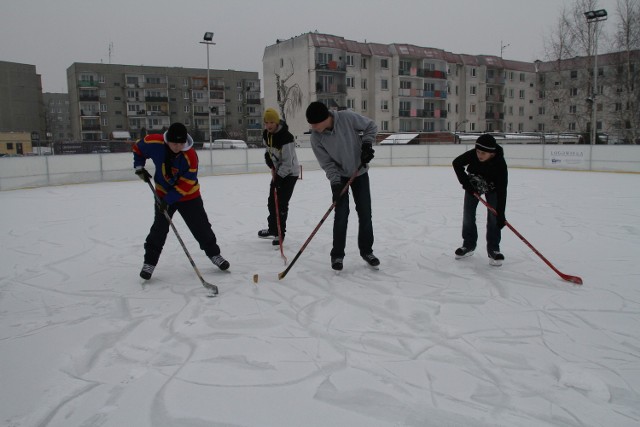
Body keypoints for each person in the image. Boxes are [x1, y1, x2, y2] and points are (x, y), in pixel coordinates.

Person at [133, 122, 230, 280]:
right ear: (167, 140)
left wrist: (169, 200)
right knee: (159, 228)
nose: (178, 146)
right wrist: (139, 167)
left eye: (181, 143)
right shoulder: (154, 143)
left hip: (189, 196)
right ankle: (149, 263)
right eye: (174, 143)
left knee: (201, 227)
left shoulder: (190, 156)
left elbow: (187, 182)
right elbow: (138, 148)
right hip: (162, 193)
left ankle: (215, 255)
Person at [305, 101, 379, 271]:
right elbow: (327, 164)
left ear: (325, 118)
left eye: (315, 124)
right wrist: (336, 185)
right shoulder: (316, 138)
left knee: (365, 213)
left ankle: (367, 251)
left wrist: (366, 144)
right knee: (341, 215)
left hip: (359, 173)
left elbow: (371, 126)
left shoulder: (346, 118)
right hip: (340, 177)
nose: (313, 127)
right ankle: (337, 255)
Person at [452, 134, 508, 265]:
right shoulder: (474, 154)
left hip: (493, 186)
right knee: (468, 214)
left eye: (483, 153)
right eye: (477, 151)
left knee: (494, 216)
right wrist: (466, 184)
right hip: (475, 183)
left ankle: (494, 249)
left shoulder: (500, 164)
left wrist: (501, 213)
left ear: (492, 153)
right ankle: (469, 245)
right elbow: (456, 163)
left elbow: (502, 191)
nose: (479, 155)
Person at [258, 108, 299, 246]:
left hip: (289, 174)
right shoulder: (266, 134)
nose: (268, 125)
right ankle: (272, 229)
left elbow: (288, 163)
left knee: (281, 204)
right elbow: (269, 151)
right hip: (278, 172)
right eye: (266, 122)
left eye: (271, 122)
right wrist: (269, 160)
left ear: (276, 123)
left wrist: (279, 178)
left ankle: (280, 233)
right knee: (271, 202)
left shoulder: (286, 137)